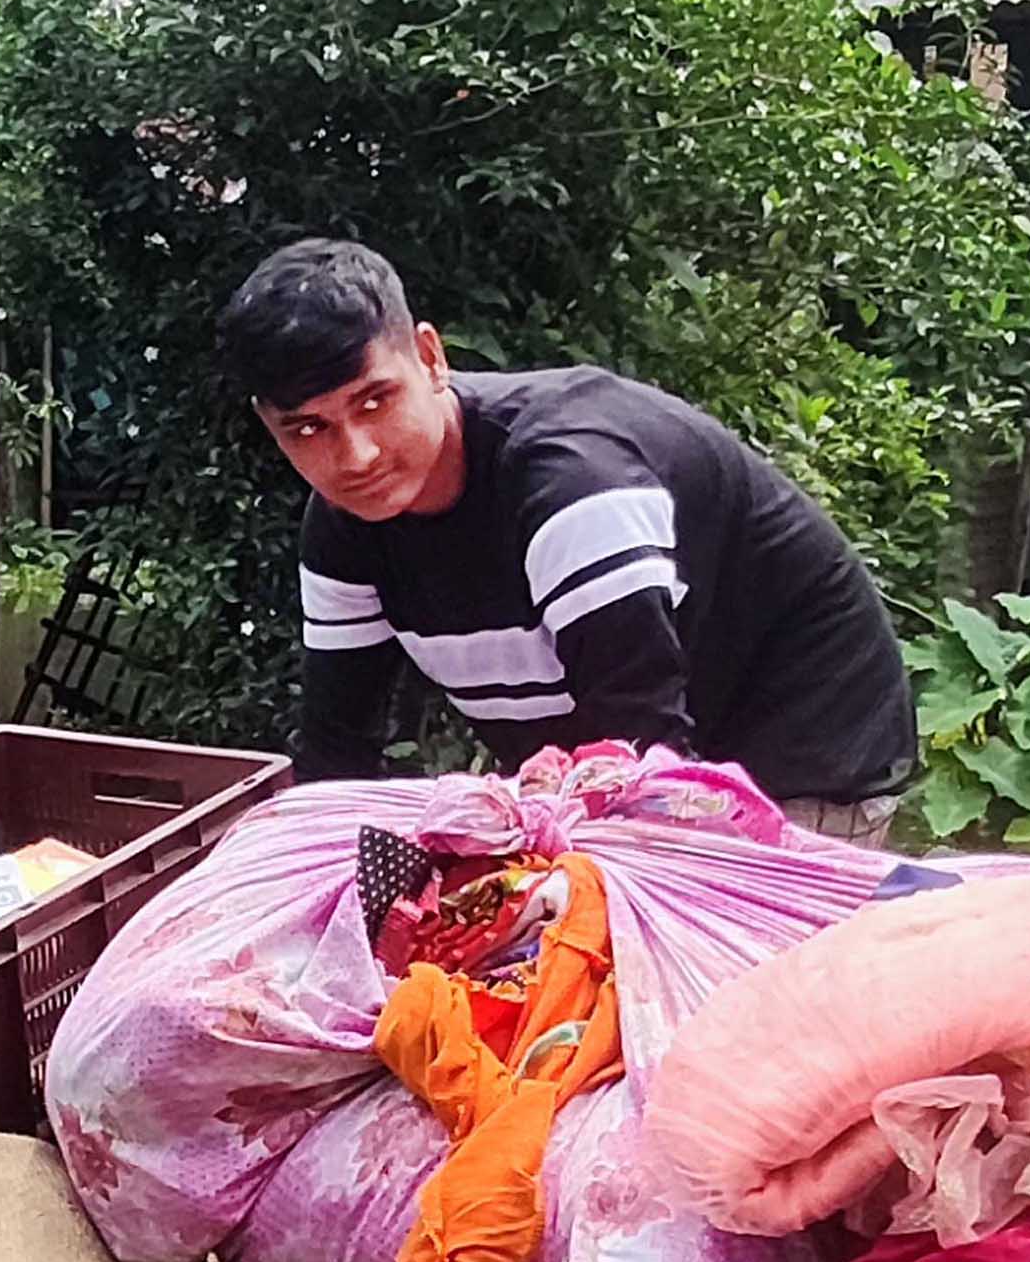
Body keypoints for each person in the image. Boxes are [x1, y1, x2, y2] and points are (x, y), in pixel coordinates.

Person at [218, 238, 917, 838]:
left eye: (376, 401)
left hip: (799, 765)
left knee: (695, 987)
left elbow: (644, 757)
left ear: (431, 359)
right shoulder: (345, 523)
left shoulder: (571, 481)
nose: (357, 455)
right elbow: (337, 755)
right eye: (309, 429)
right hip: (620, 770)